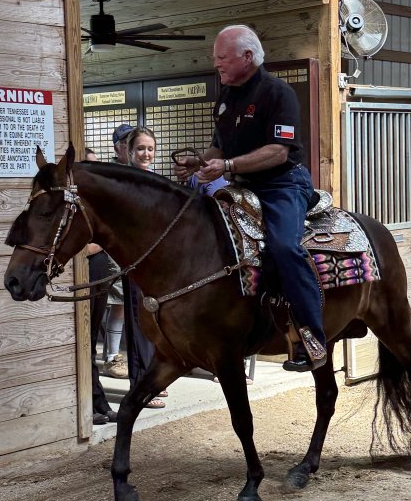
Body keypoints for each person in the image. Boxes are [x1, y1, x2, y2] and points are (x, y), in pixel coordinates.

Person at [175, 24, 327, 372]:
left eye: (222, 58)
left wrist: (226, 165)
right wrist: (198, 163)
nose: (217, 64)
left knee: (285, 247)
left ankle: (312, 339)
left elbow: (277, 152)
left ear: (248, 57)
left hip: (282, 184)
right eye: (216, 59)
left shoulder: (278, 93)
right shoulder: (226, 94)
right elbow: (219, 146)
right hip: (240, 184)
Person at [124, 126, 165, 409]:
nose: (146, 154)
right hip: (136, 260)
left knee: (155, 322)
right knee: (139, 323)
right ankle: (141, 385)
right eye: (140, 148)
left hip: (157, 262)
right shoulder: (126, 180)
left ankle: (154, 380)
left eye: (150, 148)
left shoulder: (155, 179)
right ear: (129, 152)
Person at [83, 149, 117, 426]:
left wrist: (95, 246)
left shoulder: (101, 201)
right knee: (82, 341)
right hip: (83, 268)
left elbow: (106, 239)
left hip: (97, 266)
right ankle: (90, 402)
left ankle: (98, 400)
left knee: (92, 338)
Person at [98, 123, 133, 381]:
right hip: (115, 247)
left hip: (139, 247)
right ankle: (111, 357)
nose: (132, 149)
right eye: (127, 143)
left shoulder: (138, 172)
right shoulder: (110, 174)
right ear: (118, 147)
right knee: (119, 303)